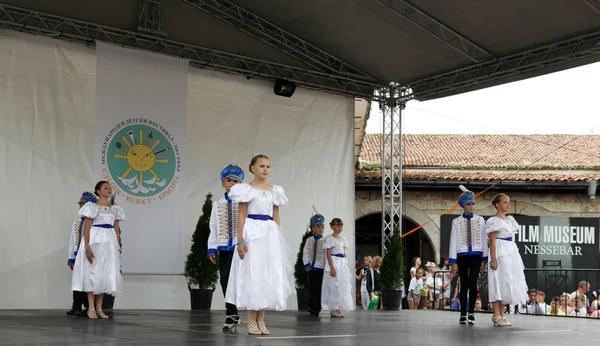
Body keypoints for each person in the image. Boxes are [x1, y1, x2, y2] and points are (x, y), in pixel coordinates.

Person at [225, 154, 291, 336]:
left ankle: (261, 319)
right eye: (261, 166)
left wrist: (277, 238)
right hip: (252, 232)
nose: (265, 169)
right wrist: (240, 240)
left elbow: (276, 216)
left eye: (268, 166)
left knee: (267, 275)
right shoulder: (246, 189)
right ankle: (250, 320)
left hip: (269, 234)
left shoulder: (274, 191)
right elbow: (241, 216)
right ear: (252, 168)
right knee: (252, 273)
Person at [71, 181, 124, 319]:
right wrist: (87, 246)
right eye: (105, 188)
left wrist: (116, 246)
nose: (108, 190)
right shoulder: (92, 207)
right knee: (92, 271)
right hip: (96, 240)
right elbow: (87, 227)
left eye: (109, 188)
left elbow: (116, 228)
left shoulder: (115, 209)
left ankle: (100, 308)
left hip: (109, 242)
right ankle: (91, 308)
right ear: (98, 191)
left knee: (105, 273)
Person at [207, 164, 244, 330]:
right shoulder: (218, 203)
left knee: (241, 282)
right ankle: (232, 313)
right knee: (225, 281)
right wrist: (212, 248)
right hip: (224, 249)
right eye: (229, 180)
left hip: (241, 249)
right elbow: (213, 227)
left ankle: (245, 314)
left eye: (236, 181)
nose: (231, 183)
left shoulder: (244, 202)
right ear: (223, 182)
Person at [486, 193, 528, 327]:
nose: (508, 205)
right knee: (497, 281)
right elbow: (492, 241)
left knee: (506, 281)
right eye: (505, 202)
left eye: (508, 202)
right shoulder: (494, 221)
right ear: (497, 205)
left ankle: (502, 314)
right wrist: (493, 259)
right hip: (499, 251)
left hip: (510, 252)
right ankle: (496, 314)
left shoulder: (510, 220)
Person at [448, 185, 488, 325]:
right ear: (464, 206)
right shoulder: (456, 221)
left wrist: (485, 259)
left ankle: (471, 312)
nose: (471, 207)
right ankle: (463, 313)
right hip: (462, 255)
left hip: (476, 255)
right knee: (463, 283)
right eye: (469, 204)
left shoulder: (481, 220)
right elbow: (453, 240)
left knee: (473, 282)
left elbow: (484, 239)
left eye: (473, 204)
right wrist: (453, 261)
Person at [66, 191, 96, 316]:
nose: (81, 207)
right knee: (78, 280)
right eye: (81, 204)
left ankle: (89, 306)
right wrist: (71, 258)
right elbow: (73, 240)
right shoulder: (77, 223)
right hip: (79, 255)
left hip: (91, 255)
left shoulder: (96, 222)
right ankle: (76, 306)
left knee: (90, 280)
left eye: (84, 204)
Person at [321, 218, 355, 318]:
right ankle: (333, 309)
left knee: (341, 286)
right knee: (333, 285)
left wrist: (345, 263)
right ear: (332, 226)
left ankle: (338, 307)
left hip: (341, 263)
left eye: (341, 226)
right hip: (334, 262)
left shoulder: (342, 239)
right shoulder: (329, 238)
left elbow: (343, 252)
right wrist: (332, 267)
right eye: (337, 226)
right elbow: (328, 253)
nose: (339, 228)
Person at [303, 214, 327, 316]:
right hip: (312, 269)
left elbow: (327, 254)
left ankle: (318, 307)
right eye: (318, 227)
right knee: (313, 288)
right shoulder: (309, 240)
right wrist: (306, 264)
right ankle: (312, 307)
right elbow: (305, 252)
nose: (320, 229)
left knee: (320, 289)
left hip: (321, 268)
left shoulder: (326, 240)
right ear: (313, 228)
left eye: (322, 227)